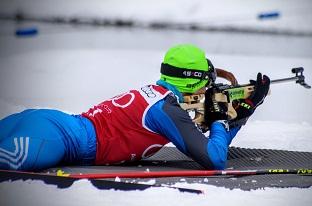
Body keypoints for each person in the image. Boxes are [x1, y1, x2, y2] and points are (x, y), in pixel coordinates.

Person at [0, 44, 270, 171]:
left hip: (48, 124)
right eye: (206, 82)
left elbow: (210, 146)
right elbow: (214, 158)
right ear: (191, 80)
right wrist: (222, 118)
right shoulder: (167, 110)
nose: (208, 88)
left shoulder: (161, 97)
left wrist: (243, 112)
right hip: (59, 139)